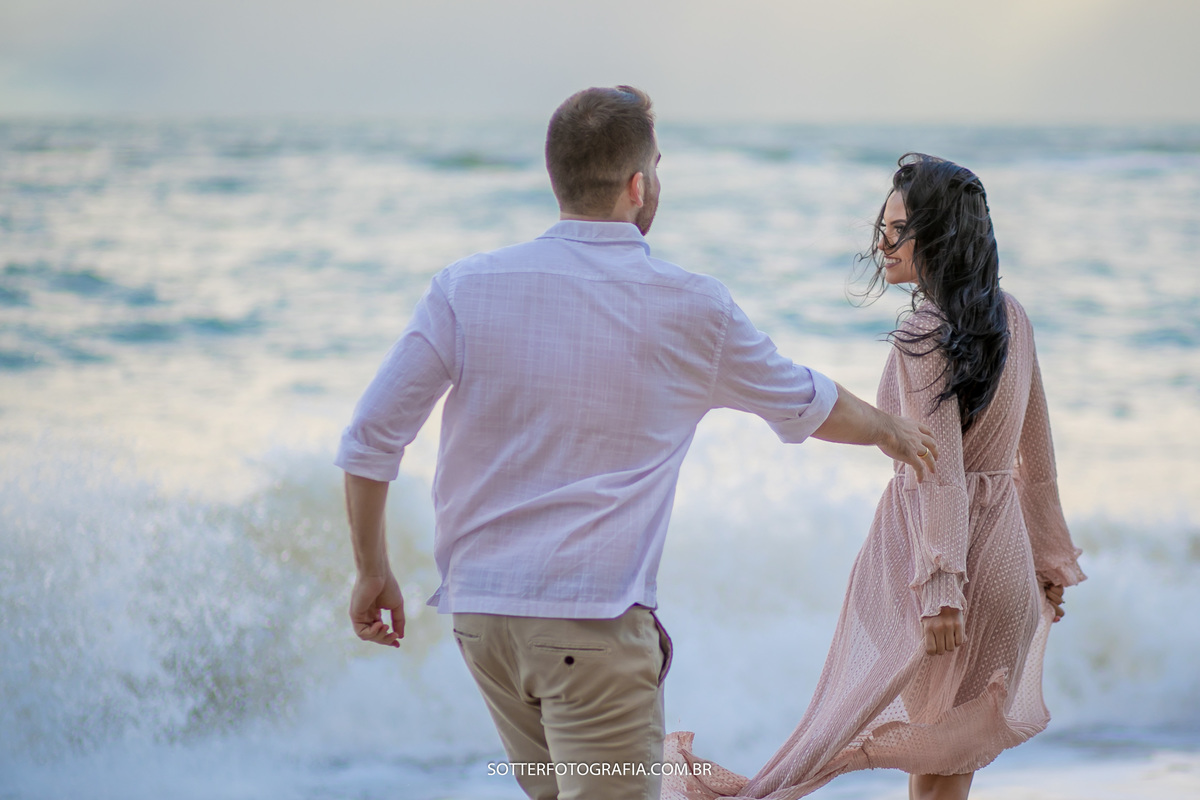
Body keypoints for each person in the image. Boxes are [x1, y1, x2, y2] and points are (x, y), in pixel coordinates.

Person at [334, 87, 937, 800]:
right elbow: (801, 399)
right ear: (637, 185)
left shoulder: (464, 288)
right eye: (657, 166)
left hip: (483, 623)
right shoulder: (690, 304)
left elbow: (371, 438)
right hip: (587, 626)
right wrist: (892, 431)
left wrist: (371, 570)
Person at [662, 154, 1086, 800]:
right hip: (1005, 569)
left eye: (896, 229)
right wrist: (1050, 561)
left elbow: (936, 467)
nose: (880, 245)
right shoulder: (1013, 317)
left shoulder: (922, 332)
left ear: (936, 237)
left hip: (944, 576)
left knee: (884, 751)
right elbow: (1040, 460)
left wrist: (943, 583)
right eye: (880, 227)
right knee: (947, 772)